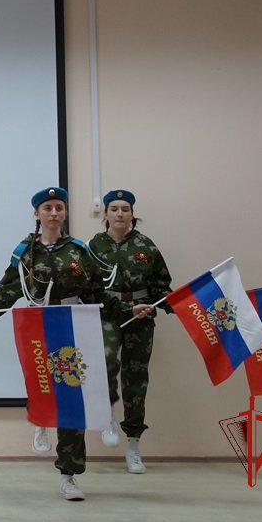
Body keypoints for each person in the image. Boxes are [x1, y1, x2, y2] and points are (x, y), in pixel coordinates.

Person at [0, 187, 153, 502]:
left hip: (70, 325)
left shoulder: (79, 251)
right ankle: (41, 420)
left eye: (58, 208)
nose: (53, 213)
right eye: (47, 208)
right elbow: (7, 289)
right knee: (43, 385)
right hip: (38, 326)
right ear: (37, 214)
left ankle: (68, 475)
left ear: (64, 213)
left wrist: (128, 309)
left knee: (71, 399)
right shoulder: (24, 252)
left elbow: (98, 293)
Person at [88, 189, 172, 474]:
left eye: (125, 208)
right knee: (107, 362)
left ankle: (134, 447)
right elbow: (86, 285)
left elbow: (161, 284)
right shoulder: (93, 246)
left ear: (132, 214)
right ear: (106, 214)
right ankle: (108, 416)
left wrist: (168, 302)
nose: (120, 213)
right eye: (114, 208)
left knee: (136, 381)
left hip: (141, 316)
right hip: (107, 314)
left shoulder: (146, 246)